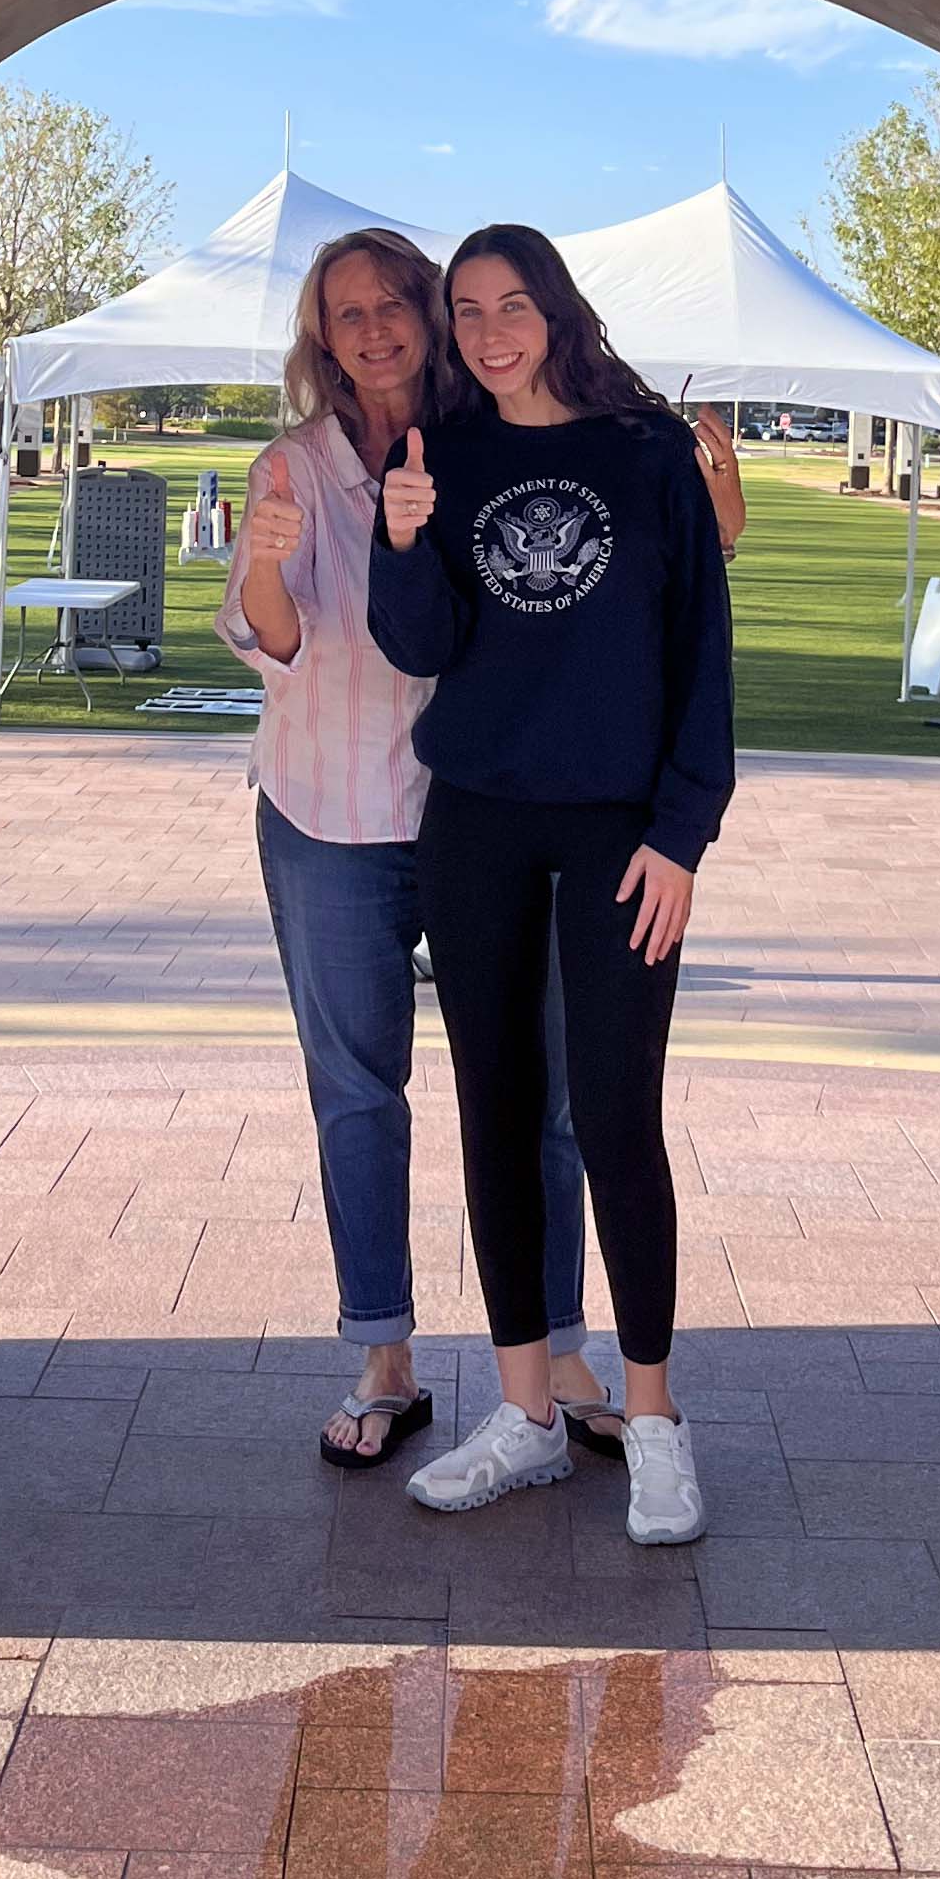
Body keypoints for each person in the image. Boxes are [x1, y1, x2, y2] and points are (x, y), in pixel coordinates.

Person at [221, 231, 627, 1468]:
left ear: (432, 317)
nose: (377, 329)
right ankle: (384, 1355)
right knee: (358, 1093)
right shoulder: (288, 466)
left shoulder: (483, 448)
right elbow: (266, 639)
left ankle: (557, 1347)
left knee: (541, 1092)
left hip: (485, 814)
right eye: (348, 314)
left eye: (397, 303)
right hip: (325, 818)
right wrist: (269, 561)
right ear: (322, 338)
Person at [369, 223, 735, 1548]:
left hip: (620, 835)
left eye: (510, 303)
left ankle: (654, 1421)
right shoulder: (445, 457)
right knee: (498, 1113)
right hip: (475, 823)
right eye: (466, 309)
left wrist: (683, 835)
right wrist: (403, 540)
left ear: (557, 311)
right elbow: (422, 647)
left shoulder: (646, 455)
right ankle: (524, 1413)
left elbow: (701, 649)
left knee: (620, 1115)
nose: (486, 328)